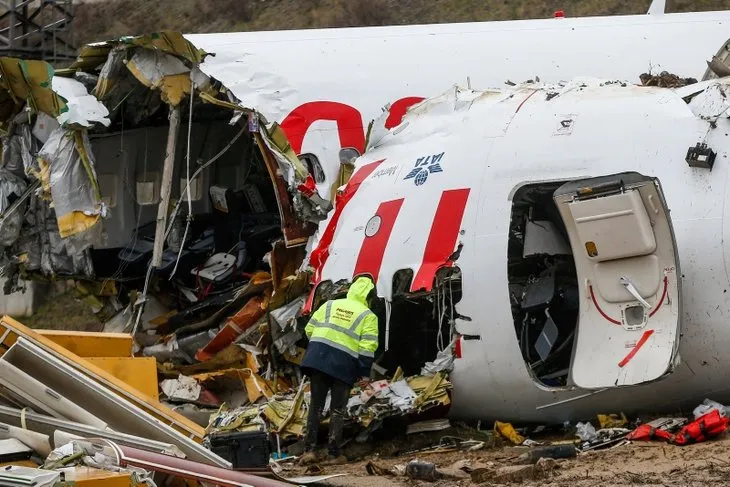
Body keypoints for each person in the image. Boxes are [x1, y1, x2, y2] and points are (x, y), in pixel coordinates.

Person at [298, 276, 379, 465]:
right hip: (343, 365)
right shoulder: (368, 315)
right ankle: (334, 454)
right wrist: (364, 373)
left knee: (316, 407)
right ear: (368, 297)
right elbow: (367, 347)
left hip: (317, 360)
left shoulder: (329, 305)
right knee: (337, 410)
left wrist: (321, 348)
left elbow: (309, 329)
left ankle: (309, 451)